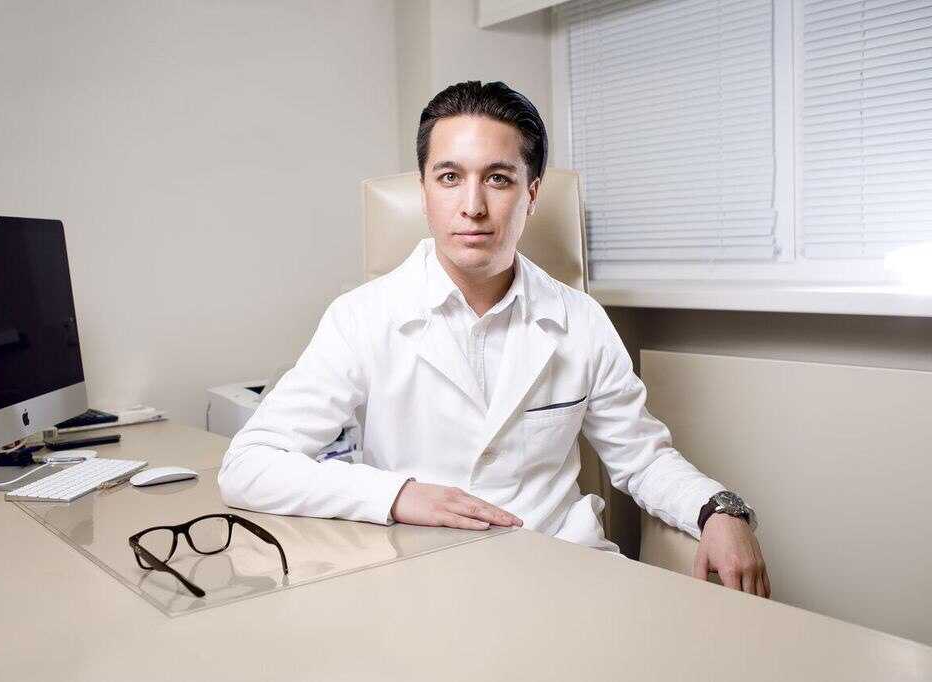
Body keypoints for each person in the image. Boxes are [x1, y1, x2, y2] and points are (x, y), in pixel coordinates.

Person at [219, 80, 770, 598]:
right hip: (423, 583)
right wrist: (397, 494)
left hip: (564, 575)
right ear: (423, 191)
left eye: (498, 179)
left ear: (532, 194)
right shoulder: (361, 318)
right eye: (449, 177)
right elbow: (249, 465)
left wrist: (720, 509)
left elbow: (642, 459)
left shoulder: (580, 319)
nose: (473, 206)